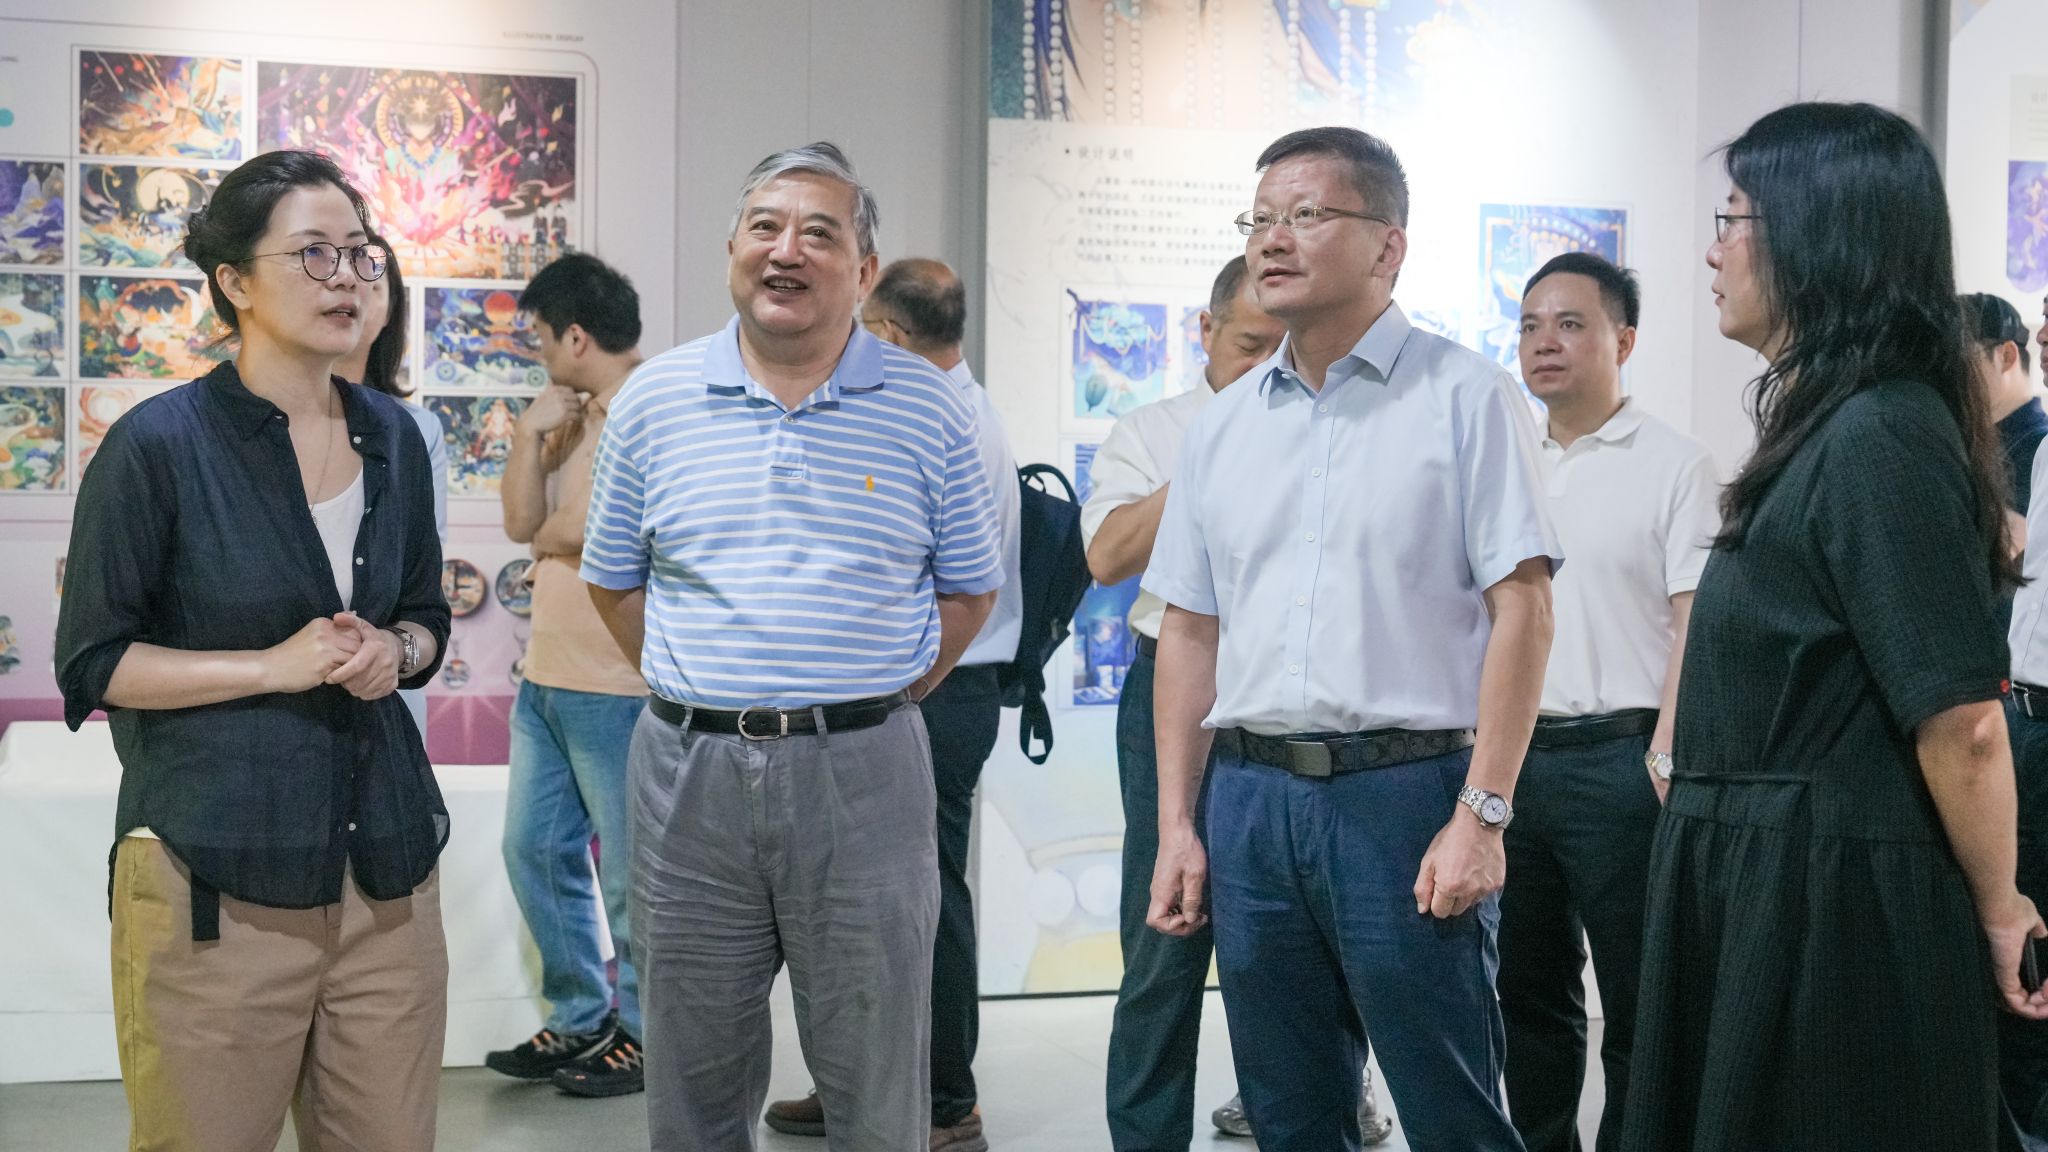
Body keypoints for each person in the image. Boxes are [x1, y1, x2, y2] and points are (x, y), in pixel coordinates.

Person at [1621, 101, 2048, 1152]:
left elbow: (1963, 722)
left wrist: (2000, 908)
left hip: (1827, 906)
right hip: (1773, 880)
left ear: (1818, 234)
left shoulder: (1880, 432)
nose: (1713, 251)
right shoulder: (1834, 423)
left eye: (1733, 220)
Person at [1144, 125, 1561, 1152]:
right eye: (1258, 219)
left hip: (1404, 796)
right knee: (1287, 1111)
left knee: (1451, 1107)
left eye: (1305, 215)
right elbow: (1189, 631)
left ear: (1387, 244)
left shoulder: (1466, 397)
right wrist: (1177, 825)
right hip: (1250, 801)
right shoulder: (1224, 425)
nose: (1270, 240)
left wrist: (1481, 815)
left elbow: (1523, 608)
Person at [581, 142, 1002, 1152]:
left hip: (866, 771)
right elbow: (613, 580)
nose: (786, 250)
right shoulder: (654, 399)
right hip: (687, 773)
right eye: (764, 227)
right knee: (692, 1073)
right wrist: (708, 687)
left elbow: (970, 589)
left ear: (863, 270)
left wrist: (872, 693)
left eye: (820, 233)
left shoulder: (928, 404)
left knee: (877, 1078)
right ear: (731, 248)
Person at [53, 149, 450, 1152]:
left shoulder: (395, 439)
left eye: (359, 253)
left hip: (385, 874)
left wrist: (395, 650)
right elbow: (95, 662)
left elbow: (424, 619)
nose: (346, 278)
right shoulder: (158, 446)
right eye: (313, 254)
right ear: (233, 281)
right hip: (216, 873)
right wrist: (271, 666)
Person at [1087, 255, 1396, 1149]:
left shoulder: (1341, 421)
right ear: (1206, 331)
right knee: (1165, 935)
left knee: (1306, 934)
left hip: (1301, 696)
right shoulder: (1157, 430)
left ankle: (1323, 1105)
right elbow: (1106, 557)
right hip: (1176, 685)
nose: (1269, 360)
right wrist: (1214, 452)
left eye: (1283, 344)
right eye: (1252, 344)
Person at [764, 257, 1021, 1152]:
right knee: (864, 903)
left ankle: (945, 1102)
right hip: (940, 686)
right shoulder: (953, 408)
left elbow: (959, 590)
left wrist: (897, 689)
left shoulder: (944, 418)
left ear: (891, 333)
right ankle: (859, 1085)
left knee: (921, 902)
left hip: (940, 688)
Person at [1499, 252, 1719, 1152]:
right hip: (1509, 766)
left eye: (1570, 324)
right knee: (1525, 993)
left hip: (1623, 765)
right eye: (1529, 326)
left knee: (1640, 997)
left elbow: (1697, 621)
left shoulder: (1677, 464)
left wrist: (1667, 747)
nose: (1544, 343)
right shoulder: (1503, 460)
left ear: (1624, 341)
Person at [485, 253, 651, 1097]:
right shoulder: (570, 413)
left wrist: (551, 533)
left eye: (544, 339)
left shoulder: (650, 407)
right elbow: (527, 522)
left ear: (577, 337)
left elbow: (593, 530)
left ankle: (645, 1033)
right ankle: (582, 1015)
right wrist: (527, 435)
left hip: (615, 681)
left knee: (629, 873)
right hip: (547, 674)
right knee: (534, 849)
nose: (541, 355)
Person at [333, 231, 448, 738]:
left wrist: (393, 649)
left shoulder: (416, 429)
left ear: (390, 309)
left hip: (385, 682)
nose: (352, 289)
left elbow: (421, 570)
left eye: (373, 282)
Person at [1965, 292, 2045, 551]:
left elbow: (2005, 548)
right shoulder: (1978, 442)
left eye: (1961, 361)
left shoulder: (2037, 446)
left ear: (2007, 356)